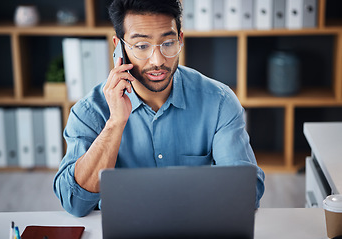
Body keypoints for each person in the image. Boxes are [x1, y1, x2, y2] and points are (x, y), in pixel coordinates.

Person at [54, 0, 265, 217]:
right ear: (119, 47)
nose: (157, 60)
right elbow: (74, 202)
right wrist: (115, 123)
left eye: (167, 43)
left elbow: (247, 192)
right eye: (142, 46)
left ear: (180, 40)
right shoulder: (90, 111)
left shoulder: (219, 102)